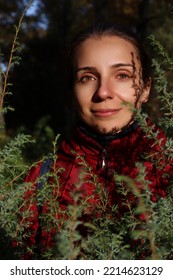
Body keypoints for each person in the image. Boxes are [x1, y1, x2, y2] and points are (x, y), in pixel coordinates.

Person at [23, 23, 172, 258]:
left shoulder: (168, 169)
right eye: (87, 77)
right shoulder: (40, 180)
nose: (103, 92)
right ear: (72, 91)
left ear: (145, 89)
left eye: (122, 75)